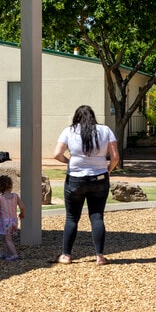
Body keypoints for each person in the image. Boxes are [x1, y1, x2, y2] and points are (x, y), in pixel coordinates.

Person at [53, 105, 120, 265]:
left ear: (76, 117)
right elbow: (115, 157)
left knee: (71, 217)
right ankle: (100, 256)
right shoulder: (105, 130)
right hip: (99, 177)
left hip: (75, 179)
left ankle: (66, 255)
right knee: (97, 216)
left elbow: (57, 154)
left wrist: (69, 162)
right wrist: (108, 170)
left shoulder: (69, 131)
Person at [0, 175, 26, 261]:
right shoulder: (15, 196)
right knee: (6, 237)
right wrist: (22, 214)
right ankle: (6, 253)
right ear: (10, 186)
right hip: (14, 221)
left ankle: (14, 255)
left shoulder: (1, 198)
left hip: (5, 222)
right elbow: (22, 207)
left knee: (8, 239)